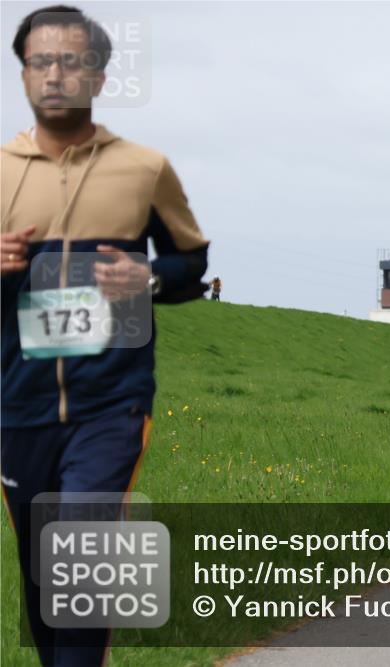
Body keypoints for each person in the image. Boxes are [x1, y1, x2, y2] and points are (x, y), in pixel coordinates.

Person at [1, 7, 210, 665]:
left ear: (97, 74)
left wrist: (148, 275)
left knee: (83, 548)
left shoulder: (144, 169)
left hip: (112, 402)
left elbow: (192, 263)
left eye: (71, 61)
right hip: (18, 404)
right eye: (41, 62)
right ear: (24, 72)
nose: (54, 75)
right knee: (43, 575)